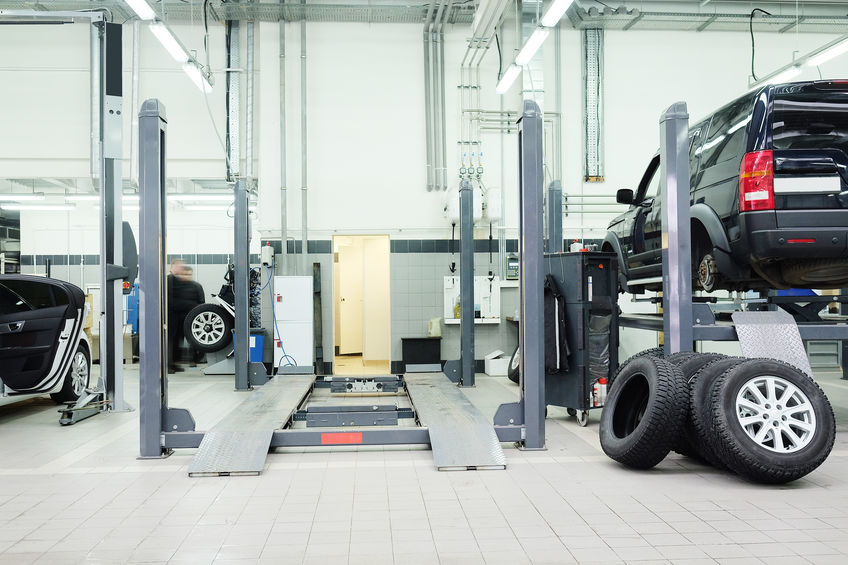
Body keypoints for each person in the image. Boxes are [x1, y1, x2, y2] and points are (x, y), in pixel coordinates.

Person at [167, 258, 190, 373]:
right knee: (169, 341)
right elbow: (171, 300)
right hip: (170, 316)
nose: (182, 268)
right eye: (180, 266)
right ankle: (167, 366)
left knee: (177, 341)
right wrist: (189, 305)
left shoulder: (177, 280)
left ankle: (174, 364)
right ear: (173, 267)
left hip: (178, 317)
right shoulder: (169, 280)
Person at [180, 266, 206, 366]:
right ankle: (177, 360)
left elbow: (202, 302)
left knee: (193, 341)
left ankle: (193, 360)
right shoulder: (178, 287)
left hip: (193, 318)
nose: (187, 276)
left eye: (189, 274)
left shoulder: (196, 286)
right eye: (185, 274)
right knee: (177, 339)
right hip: (179, 317)